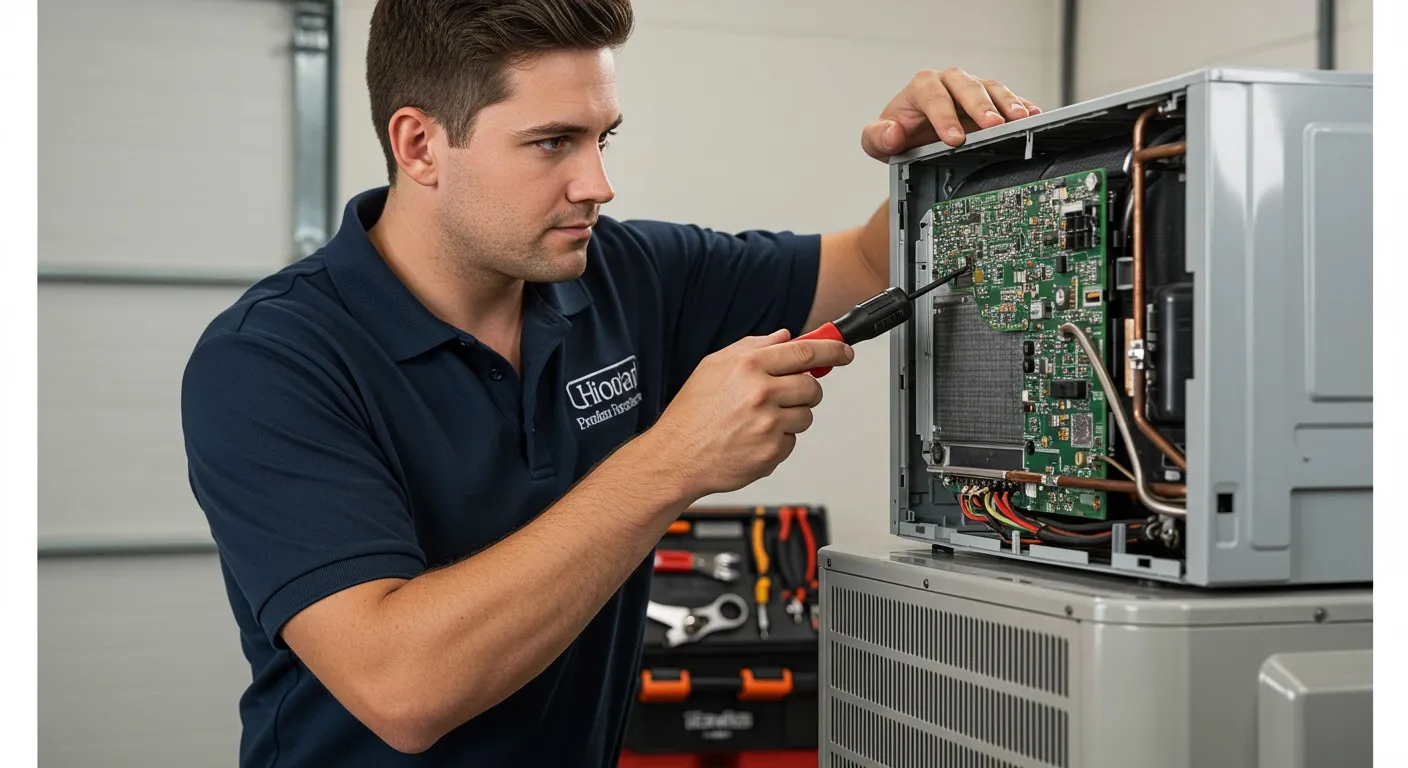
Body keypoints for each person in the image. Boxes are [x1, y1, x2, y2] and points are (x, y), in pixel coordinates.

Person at [180, 0, 1040, 764]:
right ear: (420, 145)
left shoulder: (622, 273)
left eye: (602, 137)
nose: (598, 184)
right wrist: (671, 461)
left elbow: (861, 260)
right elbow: (405, 690)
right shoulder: (271, 362)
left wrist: (939, 161)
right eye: (552, 142)